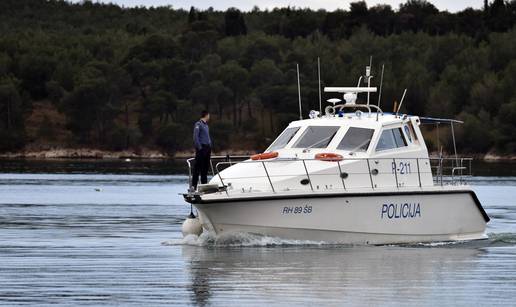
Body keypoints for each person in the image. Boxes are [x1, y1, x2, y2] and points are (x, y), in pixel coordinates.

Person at [192, 110, 212, 190]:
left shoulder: (206, 125)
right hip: (201, 148)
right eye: (209, 115)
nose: (209, 117)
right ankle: (194, 186)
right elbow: (195, 137)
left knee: (205, 168)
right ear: (206, 115)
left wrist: (210, 145)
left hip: (207, 149)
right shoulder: (198, 124)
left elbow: (207, 137)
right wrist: (199, 148)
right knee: (197, 168)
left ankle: (204, 186)